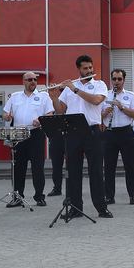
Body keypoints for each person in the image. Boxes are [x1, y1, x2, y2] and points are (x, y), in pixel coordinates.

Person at [47, 54, 112, 219]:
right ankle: (75, 208)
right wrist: (54, 98)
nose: (89, 70)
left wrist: (75, 89)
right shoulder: (70, 86)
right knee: (73, 171)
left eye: (90, 67)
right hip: (73, 133)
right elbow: (61, 110)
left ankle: (101, 207)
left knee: (95, 170)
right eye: (85, 68)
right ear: (79, 69)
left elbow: (96, 101)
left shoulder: (99, 84)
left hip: (92, 131)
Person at [2, 72, 54, 207]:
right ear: (23, 81)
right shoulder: (14, 97)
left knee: (37, 167)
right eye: (30, 79)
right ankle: (17, 197)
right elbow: (5, 114)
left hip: (35, 134)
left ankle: (39, 197)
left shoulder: (44, 96)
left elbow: (50, 113)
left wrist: (41, 120)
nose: (33, 82)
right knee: (18, 167)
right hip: (18, 134)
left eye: (35, 79)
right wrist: (7, 117)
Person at [101, 69, 134, 205]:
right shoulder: (104, 96)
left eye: (119, 79)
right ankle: (109, 196)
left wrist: (121, 107)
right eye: (114, 79)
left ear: (124, 80)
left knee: (130, 165)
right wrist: (105, 113)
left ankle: (133, 195)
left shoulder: (130, 95)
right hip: (110, 132)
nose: (116, 82)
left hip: (126, 133)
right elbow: (96, 116)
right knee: (109, 166)